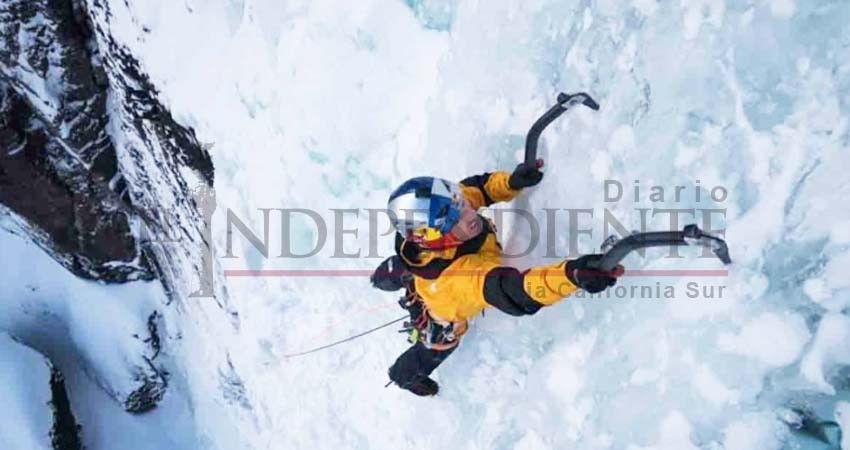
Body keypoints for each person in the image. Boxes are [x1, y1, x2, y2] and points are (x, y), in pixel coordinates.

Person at [371, 160, 623, 396]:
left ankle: (398, 271)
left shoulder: (448, 206)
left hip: (430, 270)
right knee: (436, 347)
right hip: (442, 307)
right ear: (436, 236)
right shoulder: (461, 279)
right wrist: (573, 275)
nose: (469, 213)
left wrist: (511, 182)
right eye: (454, 218)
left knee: (411, 272)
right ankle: (403, 376)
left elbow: (477, 188)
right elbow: (514, 290)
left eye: (460, 203)